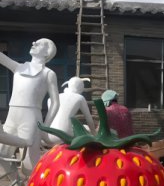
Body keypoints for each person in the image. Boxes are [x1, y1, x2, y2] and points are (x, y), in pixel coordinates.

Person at [0, 38, 59, 173]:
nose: (34, 43)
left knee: (29, 163)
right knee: (2, 154)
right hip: (12, 116)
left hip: (31, 118)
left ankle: (32, 185)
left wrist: (45, 127)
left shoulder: (48, 74)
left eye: (40, 43)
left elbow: (55, 102)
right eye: (34, 42)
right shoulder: (19, 67)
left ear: (47, 52)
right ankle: (16, 181)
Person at [46, 76, 96, 145]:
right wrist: (94, 135)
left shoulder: (51, 99)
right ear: (81, 87)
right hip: (65, 136)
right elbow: (89, 119)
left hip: (49, 136)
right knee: (86, 128)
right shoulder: (80, 98)